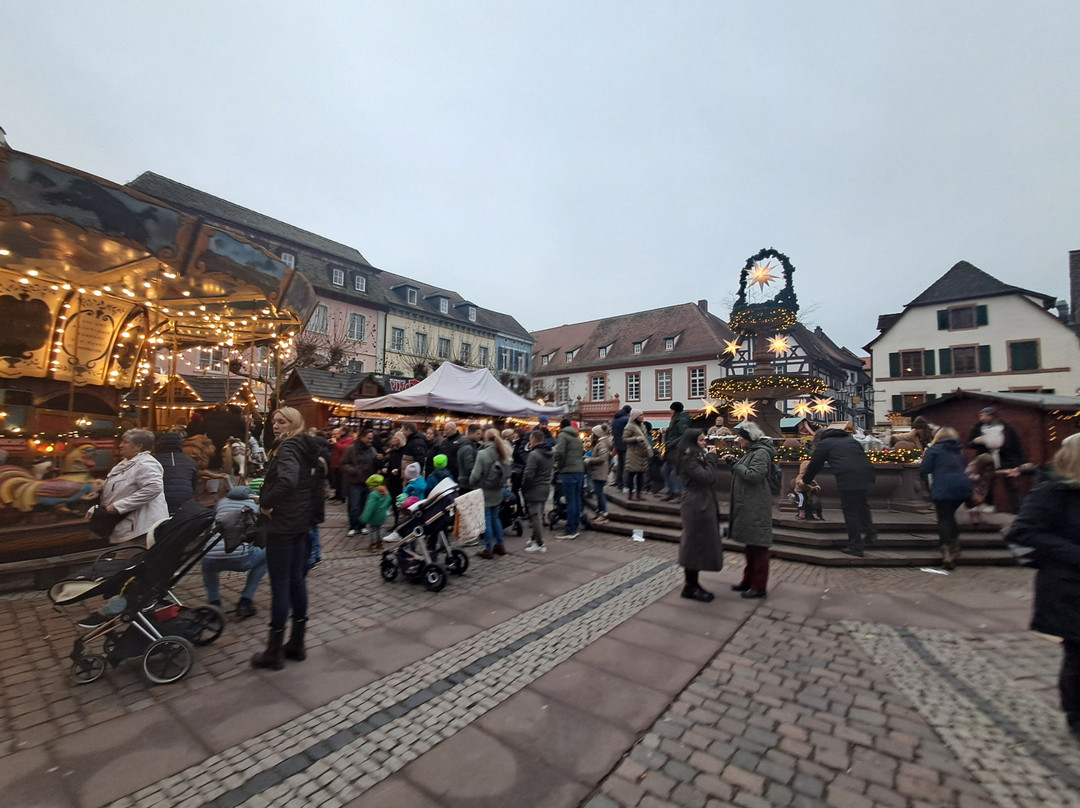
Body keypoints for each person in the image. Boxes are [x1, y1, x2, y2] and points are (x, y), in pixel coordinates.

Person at [1005, 432, 1080, 741]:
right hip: (1069, 586)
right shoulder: (1053, 491)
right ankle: (1077, 716)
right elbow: (1023, 533)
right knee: (1078, 654)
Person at [252, 407, 326, 670]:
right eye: (274, 421)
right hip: (300, 522)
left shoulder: (288, 448)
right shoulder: (306, 447)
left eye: (282, 421)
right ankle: (297, 643)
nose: (276, 425)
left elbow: (288, 481)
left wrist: (266, 503)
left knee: (281, 585)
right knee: (296, 581)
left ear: (293, 423)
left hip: (283, 525)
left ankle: (274, 651)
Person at [802, 423, 877, 557]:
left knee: (850, 510)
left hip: (848, 477)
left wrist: (806, 481)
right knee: (862, 504)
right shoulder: (850, 440)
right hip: (867, 474)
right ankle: (870, 533)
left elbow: (815, 465)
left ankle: (856, 546)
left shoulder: (825, 444)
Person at [722, 421, 775, 599]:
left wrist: (735, 464)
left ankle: (759, 586)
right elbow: (744, 472)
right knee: (750, 545)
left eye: (740, 437)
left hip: (756, 504)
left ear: (748, 439)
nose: (738, 440)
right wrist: (734, 463)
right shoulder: (752, 452)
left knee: (759, 546)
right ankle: (748, 581)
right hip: (749, 503)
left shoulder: (760, 453)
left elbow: (753, 475)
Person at [675, 428, 724, 601]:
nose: (705, 442)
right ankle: (691, 586)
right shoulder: (689, 458)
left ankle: (692, 584)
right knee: (693, 544)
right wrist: (712, 458)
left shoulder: (695, 456)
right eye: (702, 440)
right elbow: (707, 477)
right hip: (696, 505)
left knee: (699, 544)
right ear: (692, 441)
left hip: (702, 502)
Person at [96, 429, 169, 546]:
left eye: (125, 442)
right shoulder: (126, 463)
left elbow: (153, 488)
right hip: (131, 526)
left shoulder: (146, 464)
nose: (120, 445)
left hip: (141, 529)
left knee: (126, 561)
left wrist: (118, 506)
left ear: (138, 446)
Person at [201, 486, 265, 618]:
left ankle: (214, 602)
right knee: (265, 558)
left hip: (210, 556)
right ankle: (245, 601)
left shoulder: (221, 503)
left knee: (208, 563)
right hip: (240, 557)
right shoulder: (255, 505)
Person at [919, 427, 973, 570]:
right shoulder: (959, 451)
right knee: (949, 516)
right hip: (962, 486)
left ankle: (947, 551)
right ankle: (955, 545)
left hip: (943, 486)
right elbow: (964, 467)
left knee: (943, 518)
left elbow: (925, 469)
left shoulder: (934, 450)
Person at [968, 406, 1027, 512]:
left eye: (983, 416)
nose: (981, 418)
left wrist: (1023, 461)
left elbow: (1016, 446)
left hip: (1006, 460)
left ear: (991, 416)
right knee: (985, 484)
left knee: (1012, 484)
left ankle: (1017, 510)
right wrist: (975, 442)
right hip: (986, 460)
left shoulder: (1007, 429)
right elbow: (969, 444)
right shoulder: (978, 428)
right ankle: (987, 505)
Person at [470, 428, 512, 558]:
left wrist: (472, 483)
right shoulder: (503, 452)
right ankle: (500, 544)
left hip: (485, 490)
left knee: (487, 518)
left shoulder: (483, 453)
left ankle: (488, 549)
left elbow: (475, 475)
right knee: (495, 516)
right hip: (497, 489)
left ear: (486, 438)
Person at [342, 429, 379, 537]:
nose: (370, 441)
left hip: (367, 482)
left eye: (371, 438)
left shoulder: (372, 450)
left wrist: (379, 460)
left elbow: (375, 464)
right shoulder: (351, 449)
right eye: (368, 438)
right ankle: (353, 526)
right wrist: (354, 470)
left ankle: (362, 525)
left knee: (365, 505)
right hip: (354, 482)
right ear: (362, 437)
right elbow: (343, 464)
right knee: (354, 506)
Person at [553, 418, 586, 539]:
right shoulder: (576, 437)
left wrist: (558, 465)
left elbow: (560, 453)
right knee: (577, 500)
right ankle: (575, 527)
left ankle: (570, 530)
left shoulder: (563, 436)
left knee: (571, 500)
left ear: (561, 426)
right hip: (579, 471)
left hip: (569, 471)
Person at [521, 429, 554, 553]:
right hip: (545, 487)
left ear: (533, 440)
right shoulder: (550, 452)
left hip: (534, 487)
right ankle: (534, 538)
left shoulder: (534, 455)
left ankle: (539, 543)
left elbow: (529, 473)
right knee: (538, 514)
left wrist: (524, 486)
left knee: (535, 516)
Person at [154, 431, 199, 514]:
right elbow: (194, 483)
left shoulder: (154, 460)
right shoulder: (190, 461)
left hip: (161, 501)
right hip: (185, 501)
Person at [663, 402, 692, 501]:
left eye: (671, 410)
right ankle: (672, 492)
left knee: (677, 472)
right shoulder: (676, 419)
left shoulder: (681, 420)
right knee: (665, 471)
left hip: (677, 450)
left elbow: (684, 434)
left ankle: (680, 494)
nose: (670, 412)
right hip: (671, 450)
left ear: (675, 410)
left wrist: (671, 443)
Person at [622, 409, 652, 500]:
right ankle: (631, 494)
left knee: (641, 475)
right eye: (640, 415)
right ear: (635, 417)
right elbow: (625, 439)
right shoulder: (629, 426)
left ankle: (639, 494)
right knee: (631, 474)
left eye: (642, 415)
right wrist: (635, 438)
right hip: (633, 453)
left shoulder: (643, 426)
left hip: (642, 453)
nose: (642, 417)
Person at [586, 424, 612, 523]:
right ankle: (600, 512)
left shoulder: (602, 444)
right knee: (598, 492)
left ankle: (604, 513)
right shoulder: (601, 443)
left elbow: (602, 458)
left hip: (600, 471)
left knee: (600, 493)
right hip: (598, 471)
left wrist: (589, 460)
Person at [360, 474, 392, 553]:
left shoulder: (374, 494)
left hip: (374, 516)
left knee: (373, 530)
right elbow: (389, 500)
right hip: (382, 515)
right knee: (379, 529)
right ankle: (380, 543)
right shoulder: (386, 492)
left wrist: (364, 517)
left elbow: (370, 507)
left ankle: (373, 545)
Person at [456, 424, 484, 493]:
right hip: (467, 484)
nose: (480, 436)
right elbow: (469, 468)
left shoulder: (469, 445)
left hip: (464, 482)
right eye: (478, 434)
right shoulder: (468, 448)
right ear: (470, 433)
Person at [329, 427, 354, 503]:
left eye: (338, 432)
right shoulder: (341, 438)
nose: (337, 434)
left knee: (342, 482)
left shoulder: (349, 439)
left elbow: (343, 449)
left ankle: (341, 498)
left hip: (342, 463)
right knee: (337, 481)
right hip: (336, 463)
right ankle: (337, 495)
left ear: (343, 431)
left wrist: (335, 442)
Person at [611, 404, 632, 490]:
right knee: (626, 465)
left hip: (618, 445)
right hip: (626, 445)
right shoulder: (626, 420)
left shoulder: (615, 420)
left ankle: (618, 482)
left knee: (620, 465)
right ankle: (625, 484)